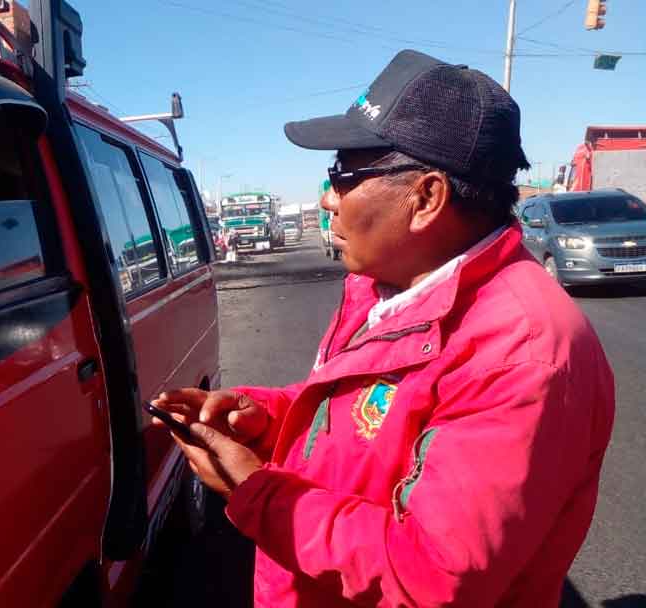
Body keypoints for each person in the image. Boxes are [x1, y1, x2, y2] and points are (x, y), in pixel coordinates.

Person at [152, 49, 615, 607]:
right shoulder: (394, 287)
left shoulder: (521, 351)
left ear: (426, 197)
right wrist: (267, 418)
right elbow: (367, 411)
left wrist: (258, 493)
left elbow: (434, 575)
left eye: (343, 174)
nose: (327, 199)